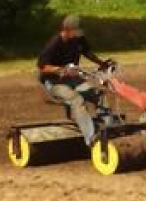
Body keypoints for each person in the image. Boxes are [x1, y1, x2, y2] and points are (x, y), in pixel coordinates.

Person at [37, 15, 112, 146]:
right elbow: (42, 66)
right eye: (76, 32)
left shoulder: (79, 39)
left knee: (98, 95)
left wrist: (102, 63)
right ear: (67, 30)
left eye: (79, 32)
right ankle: (91, 138)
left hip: (73, 78)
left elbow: (87, 52)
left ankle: (110, 131)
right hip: (55, 82)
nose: (79, 35)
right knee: (77, 99)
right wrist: (61, 70)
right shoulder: (55, 43)